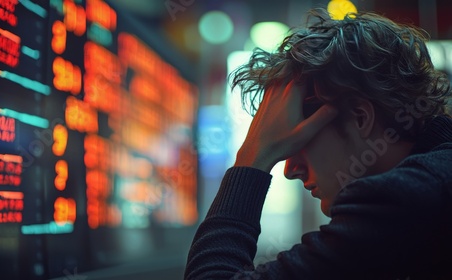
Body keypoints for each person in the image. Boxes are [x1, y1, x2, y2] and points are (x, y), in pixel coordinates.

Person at [184, 7, 452, 280]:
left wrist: (251, 160)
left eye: (299, 137)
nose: (290, 170)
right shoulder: (434, 181)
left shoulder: (400, 198)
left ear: (360, 117)